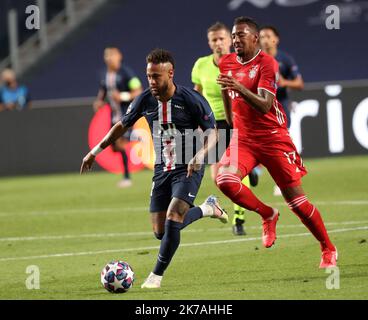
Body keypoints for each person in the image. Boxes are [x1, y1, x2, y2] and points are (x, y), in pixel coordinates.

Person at [81, 48, 228, 288]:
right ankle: (207, 209)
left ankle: (155, 276)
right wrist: (94, 151)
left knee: (174, 215)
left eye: (156, 76)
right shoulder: (144, 100)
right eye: (149, 75)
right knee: (161, 231)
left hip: (189, 166)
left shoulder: (190, 99)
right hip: (162, 169)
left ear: (170, 74)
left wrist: (201, 155)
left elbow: (214, 133)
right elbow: (121, 125)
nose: (151, 81)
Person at [215, 16, 337, 268]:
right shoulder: (226, 61)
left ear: (255, 38)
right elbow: (226, 92)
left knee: (298, 203)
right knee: (224, 180)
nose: (236, 39)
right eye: (234, 35)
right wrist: (231, 124)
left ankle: (328, 247)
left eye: (241, 35)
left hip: (272, 138)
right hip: (245, 138)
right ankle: (267, 214)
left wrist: (238, 86)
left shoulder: (267, 63)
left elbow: (265, 105)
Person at [191, 22, 258, 236]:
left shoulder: (241, 62)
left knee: (233, 170)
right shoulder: (201, 65)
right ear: (209, 43)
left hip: (236, 120)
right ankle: (252, 170)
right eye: (214, 40)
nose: (218, 43)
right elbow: (197, 92)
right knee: (217, 177)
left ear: (229, 40)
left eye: (222, 38)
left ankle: (239, 216)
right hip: (212, 123)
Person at [259, 26, 304, 195]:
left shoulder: (285, 59)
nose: (264, 39)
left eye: (267, 36)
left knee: (278, 144)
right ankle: (257, 169)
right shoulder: (255, 59)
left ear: (275, 39)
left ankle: (284, 180)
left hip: (280, 106)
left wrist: (285, 82)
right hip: (261, 106)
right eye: (261, 36)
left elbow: (299, 83)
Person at [93, 47, 143, 188]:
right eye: (107, 55)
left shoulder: (126, 73)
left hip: (126, 113)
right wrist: (99, 101)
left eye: (112, 55)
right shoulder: (105, 75)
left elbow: (138, 90)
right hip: (113, 115)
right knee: (115, 147)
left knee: (120, 143)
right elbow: (103, 89)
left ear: (119, 56)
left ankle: (127, 177)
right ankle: (135, 136)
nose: (109, 58)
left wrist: (122, 96)